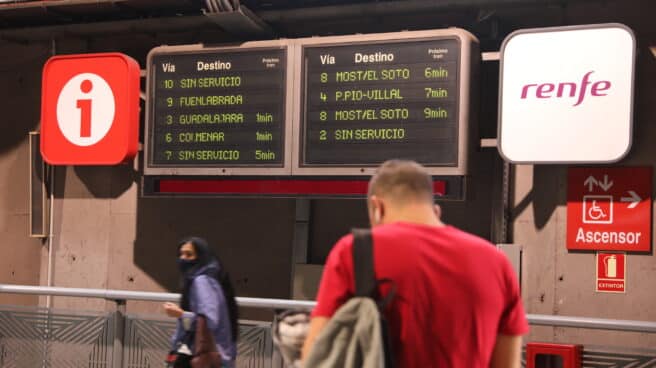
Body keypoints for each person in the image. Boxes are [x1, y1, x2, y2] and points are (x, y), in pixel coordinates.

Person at [301, 160, 529, 368]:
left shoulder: (355, 251)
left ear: (377, 208)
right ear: (436, 210)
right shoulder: (497, 263)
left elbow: (316, 355)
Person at [164, 236, 239, 368]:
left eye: (189, 254)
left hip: (208, 357)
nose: (183, 258)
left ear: (201, 257)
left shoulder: (202, 281)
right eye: (181, 254)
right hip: (214, 356)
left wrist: (181, 314)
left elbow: (209, 320)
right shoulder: (207, 277)